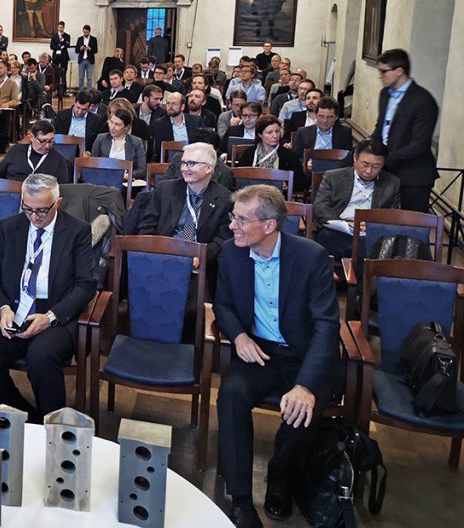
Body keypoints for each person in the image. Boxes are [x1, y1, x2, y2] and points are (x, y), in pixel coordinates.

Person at [214, 185, 339, 528]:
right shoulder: (232, 252)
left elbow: (327, 327)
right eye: (233, 217)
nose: (232, 226)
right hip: (260, 353)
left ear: (269, 226)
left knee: (305, 410)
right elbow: (222, 304)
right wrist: (238, 335)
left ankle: (279, 478)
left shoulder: (311, 257)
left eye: (241, 219)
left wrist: (306, 385)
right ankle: (240, 499)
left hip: (303, 355)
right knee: (231, 395)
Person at [0, 173, 96, 423]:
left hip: (54, 313)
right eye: (28, 209)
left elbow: (86, 285)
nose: (34, 217)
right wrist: (4, 309)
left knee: (41, 357)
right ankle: (26, 418)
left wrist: (51, 317)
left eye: (42, 211)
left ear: (57, 204)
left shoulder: (77, 231)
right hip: (14, 309)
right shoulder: (9, 227)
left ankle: (53, 427)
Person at [370, 48, 439, 213]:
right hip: (387, 171)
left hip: (414, 175)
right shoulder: (385, 94)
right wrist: (366, 148)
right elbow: (381, 128)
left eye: (383, 71)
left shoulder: (423, 100)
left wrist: (384, 159)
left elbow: (419, 144)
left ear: (399, 71)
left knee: (410, 229)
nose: (380, 75)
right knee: (382, 220)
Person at [139, 143, 233, 262]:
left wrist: (201, 256)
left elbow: (222, 239)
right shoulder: (165, 190)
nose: (184, 168)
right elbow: (147, 227)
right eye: (183, 163)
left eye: (191, 163)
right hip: (162, 255)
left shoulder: (225, 198)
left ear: (209, 168)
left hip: (199, 262)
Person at [313, 140, 401, 259]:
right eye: (365, 164)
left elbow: (393, 215)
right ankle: (361, 271)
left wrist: (371, 226)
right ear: (355, 158)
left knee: (385, 245)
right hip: (341, 228)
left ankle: (356, 273)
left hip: (371, 232)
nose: (369, 171)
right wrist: (346, 224)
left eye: (376, 166)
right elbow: (320, 207)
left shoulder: (392, 183)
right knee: (327, 237)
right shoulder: (334, 177)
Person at [237, 114, 306, 192]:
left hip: (278, 197)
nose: (275, 136)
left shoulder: (289, 155)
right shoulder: (249, 154)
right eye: (269, 132)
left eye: (277, 131)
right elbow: (239, 180)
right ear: (260, 134)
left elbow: (301, 182)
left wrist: (287, 184)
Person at [0, 120, 71, 183]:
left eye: (50, 141)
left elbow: (62, 189)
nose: (47, 145)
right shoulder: (16, 151)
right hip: (12, 196)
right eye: (42, 141)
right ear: (32, 137)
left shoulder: (59, 160)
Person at [291, 96, 353, 165]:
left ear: (336, 117)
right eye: (321, 116)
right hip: (310, 170)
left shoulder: (344, 133)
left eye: (330, 117)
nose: (325, 121)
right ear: (316, 115)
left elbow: (348, 158)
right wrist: (305, 163)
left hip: (335, 170)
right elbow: (295, 157)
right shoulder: (303, 133)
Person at [90, 108, 147, 180]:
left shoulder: (136, 142)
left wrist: (127, 175)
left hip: (126, 181)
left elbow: (142, 170)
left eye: (117, 124)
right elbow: (92, 164)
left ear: (126, 127)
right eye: (111, 122)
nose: (112, 127)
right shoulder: (100, 138)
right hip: (104, 180)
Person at [152, 92, 205, 161]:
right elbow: (158, 149)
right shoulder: (160, 123)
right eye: (168, 103)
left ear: (182, 106)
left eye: (174, 103)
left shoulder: (196, 121)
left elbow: (202, 145)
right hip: (171, 162)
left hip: (194, 160)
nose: (170, 106)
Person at [50, 21, 70, 96]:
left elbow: (67, 45)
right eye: (59, 27)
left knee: (63, 74)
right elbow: (52, 46)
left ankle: (63, 91)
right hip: (56, 57)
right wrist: (60, 47)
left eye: (62, 27)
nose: (60, 29)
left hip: (64, 58)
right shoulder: (54, 36)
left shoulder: (67, 36)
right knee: (56, 74)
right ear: (57, 27)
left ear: (64, 28)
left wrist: (62, 39)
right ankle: (56, 90)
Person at [75, 25, 97, 91]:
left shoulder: (93, 39)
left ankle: (89, 92)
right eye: (84, 32)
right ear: (83, 31)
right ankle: (81, 92)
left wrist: (90, 48)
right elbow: (76, 50)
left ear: (90, 31)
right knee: (81, 77)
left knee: (89, 78)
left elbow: (96, 50)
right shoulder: (80, 39)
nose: (86, 34)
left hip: (89, 60)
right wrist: (80, 48)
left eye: (87, 32)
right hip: (81, 60)